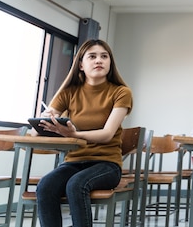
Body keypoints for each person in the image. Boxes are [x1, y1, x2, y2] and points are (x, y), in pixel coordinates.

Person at [35, 39, 133, 227]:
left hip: (107, 164)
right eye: (92, 56)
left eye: (104, 56)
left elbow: (106, 134)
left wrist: (74, 134)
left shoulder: (121, 92)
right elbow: (35, 131)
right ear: (80, 64)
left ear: (110, 63)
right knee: (45, 186)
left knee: (76, 184)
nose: (99, 60)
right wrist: (45, 118)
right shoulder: (68, 92)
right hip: (73, 162)